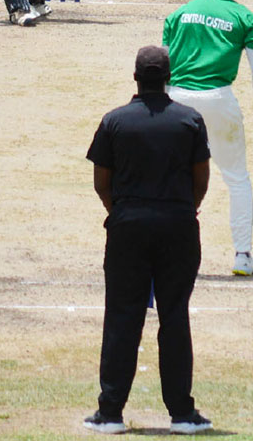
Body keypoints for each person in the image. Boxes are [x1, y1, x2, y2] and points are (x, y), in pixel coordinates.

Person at [84, 46, 213, 435]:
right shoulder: (190, 120)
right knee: (175, 316)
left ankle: (110, 414)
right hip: (177, 226)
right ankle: (182, 414)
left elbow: (101, 183)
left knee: (122, 317)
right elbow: (201, 180)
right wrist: (182, 210)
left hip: (127, 227)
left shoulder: (114, 121)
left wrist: (120, 211)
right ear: (168, 77)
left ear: (136, 78)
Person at [162, 0, 253, 276]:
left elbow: (165, 68)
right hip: (220, 100)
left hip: (178, 100)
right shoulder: (245, 18)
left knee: (175, 178)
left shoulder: (180, 14)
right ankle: (242, 257)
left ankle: (172, 252)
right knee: (237, 179)